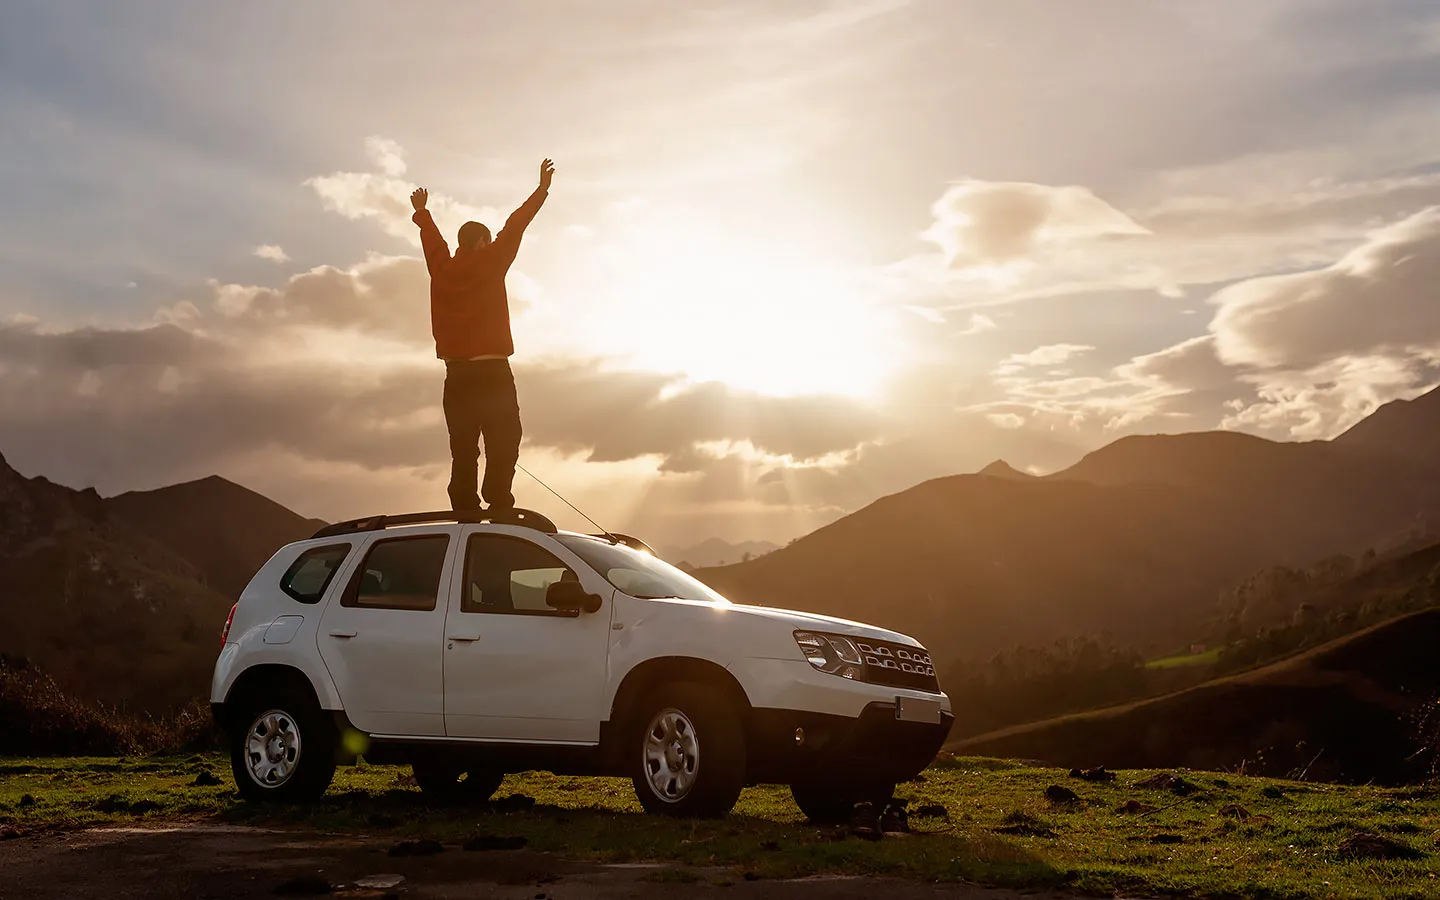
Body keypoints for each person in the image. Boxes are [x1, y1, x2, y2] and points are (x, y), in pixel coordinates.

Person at [410, 159, 553, 512]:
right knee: (504, 438)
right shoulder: (491, 261)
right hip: (492, 373)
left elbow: (433, 243)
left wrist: (422, 213)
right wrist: (541, 190)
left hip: (456, 376)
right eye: (488, 241)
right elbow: (516, 225)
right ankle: (498, 497)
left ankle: (464, 506)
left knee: (463, 445)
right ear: (483, 242)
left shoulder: (441, 269)